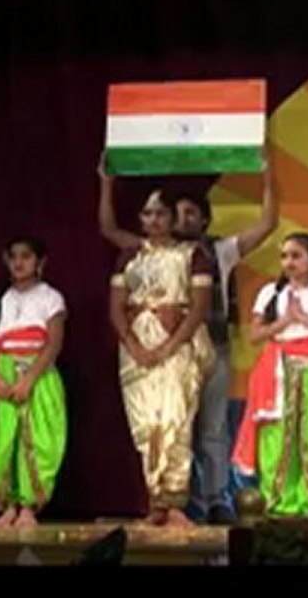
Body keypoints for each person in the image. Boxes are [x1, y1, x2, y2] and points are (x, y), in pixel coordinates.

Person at [98, 152, 277, 524]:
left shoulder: (211, 252)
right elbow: (109, 234)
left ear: (204, 218)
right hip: (148, 351)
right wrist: (106, 181)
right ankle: (162, 503)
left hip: (206, 347)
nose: (177, 220)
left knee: (204, 428)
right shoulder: (137, 254)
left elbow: (266, 225)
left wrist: (268, 177)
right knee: (156, 423)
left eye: (184, 214)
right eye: (164, 214)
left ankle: (208, 501)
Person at [107, 189, 214, 528]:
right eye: (147, 214)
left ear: (172, 219)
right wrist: (134, 345)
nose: (154, 221)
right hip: (137, 345)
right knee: (145, 424)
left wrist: (169, 347)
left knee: (176, 420)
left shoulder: (192, 255)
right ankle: (155, 500)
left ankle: (176, 501)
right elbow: (116, 307)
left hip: (178, 344)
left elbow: (198, 308)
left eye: (161, 214)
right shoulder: (129, 257)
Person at [232, 232, 308, 516]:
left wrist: (306, 319)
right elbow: (256, 335)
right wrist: (286, 320)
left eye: (296, 255)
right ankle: (277, 504)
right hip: (278, 375)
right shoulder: (271, 293)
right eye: (284, 256)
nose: (289, 262)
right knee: (277, 440)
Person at [0, 237, 67, 529]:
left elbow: (54, 341)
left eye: (26, 256)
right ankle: (7, 504)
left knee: (38, 439)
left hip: (38, 372)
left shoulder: (51, 297)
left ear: (40, 262)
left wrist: (30, 378)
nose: (19, 262)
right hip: (1, 374)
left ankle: (29, 507)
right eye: (14, 257)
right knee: (2, 441)